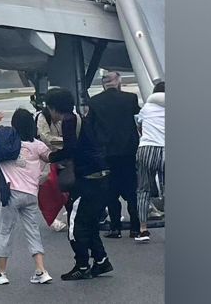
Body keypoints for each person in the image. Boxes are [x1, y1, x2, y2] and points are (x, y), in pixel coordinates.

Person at [45, 88, 114, 281]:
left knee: (75, 225)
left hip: (88, 180)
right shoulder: (79, 118)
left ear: (54, 108)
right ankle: (101, 261)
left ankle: (82, 265)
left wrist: (50, 157)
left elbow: (70, 150)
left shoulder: (68, 121)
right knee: (89, 222)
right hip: (101, 176)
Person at [0, 109, 53, 285]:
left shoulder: (6, 141)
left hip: (11, 193)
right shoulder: (37, 145)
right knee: (33, 231)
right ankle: (41, 270)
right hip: (31, 194)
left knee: (5, 231)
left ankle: (1, 272)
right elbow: (51, 157)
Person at [87, 71, 141, 239]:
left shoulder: (95, 101)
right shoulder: (130, 99)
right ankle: (135, 228)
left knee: (110, 192)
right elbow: (138, 120)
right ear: (118, 81)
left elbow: (91, 127)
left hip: (106, 152)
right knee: (131, 190)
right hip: (128, 151)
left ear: (103, 84)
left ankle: (115, 228)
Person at [134, 82, 165, 243]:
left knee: (143, 190)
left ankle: (143, 229)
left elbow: (139, 126)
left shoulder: (146, 108)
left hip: (146, 149)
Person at [34, 106, 70, 232]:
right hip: (44, 157)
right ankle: (53, 220)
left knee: (64, 187)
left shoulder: (64, 117)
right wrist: (67, 141)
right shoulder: (42, 118)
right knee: (46, 189)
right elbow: (46, 138)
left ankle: (68, 215)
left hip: (59, 156)